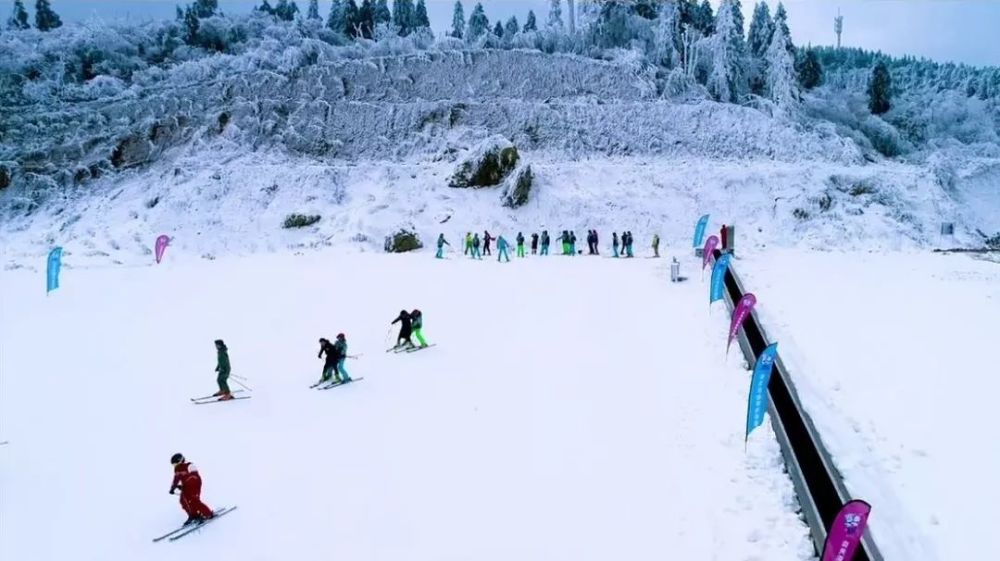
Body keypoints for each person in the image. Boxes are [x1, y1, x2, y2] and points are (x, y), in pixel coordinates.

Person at [169, 453, 215, 525]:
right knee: (183, 501)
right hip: (186, 486)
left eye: (175, 464)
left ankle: (208, 514)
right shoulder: (177, 469)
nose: (175, 466)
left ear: (180, 461)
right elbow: (176, 479)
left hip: (195, 485)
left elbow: (195, 477)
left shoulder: (190, 465)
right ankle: (194, 516)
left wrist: (186, 483)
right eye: (173, 465)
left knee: (194, 501)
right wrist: (173, 487)